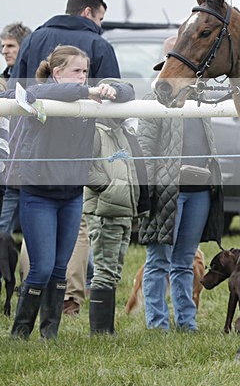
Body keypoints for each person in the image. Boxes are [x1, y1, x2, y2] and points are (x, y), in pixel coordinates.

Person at [8, 45, 133, 340]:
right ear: (57, 72)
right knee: (41, 268)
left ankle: (49, 333)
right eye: (76, 71)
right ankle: (19, 333)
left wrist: (111, 89)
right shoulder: (41, 94)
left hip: (72, 194)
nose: (82, 78)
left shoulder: (85, 97)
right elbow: (42, 94)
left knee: (60, 268)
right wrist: (87, 92)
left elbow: (127, 92)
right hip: (38, 194)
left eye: (85, 72)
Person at [10, 0, 121, 316]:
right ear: (88, 13)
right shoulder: (99, 44)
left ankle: (39, 302)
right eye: (100, 19)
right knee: (68, 240)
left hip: (46, 166)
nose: (100, 26)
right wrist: (89, 91)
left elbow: (15, 88)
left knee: (39, 246)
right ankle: (68, 298)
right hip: (58, 167)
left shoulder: (35, 38)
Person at [138, 36, 224, 331]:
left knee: (185, 260)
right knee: (159, 260)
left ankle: (187, 321)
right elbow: (145, 150)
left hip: (200, 189)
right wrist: (149, 190)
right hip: (167, 192)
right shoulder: (154, 102)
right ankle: (158, 323)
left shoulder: (201, 100)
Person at [84, 97, 151, 335]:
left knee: (113, 271)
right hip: (106, 210)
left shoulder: (123, 133)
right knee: (104, 271)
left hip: (122, 209)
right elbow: (84, 168)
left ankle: (106, 329)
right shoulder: (96, 132)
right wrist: (111, 187)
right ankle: (100, 331)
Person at [0, 21, 32, 235]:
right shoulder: (4, 81)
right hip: (8, 165)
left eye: (10, 46)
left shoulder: (31, 80)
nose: (4, 51)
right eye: (2, 46)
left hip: (26, 163)